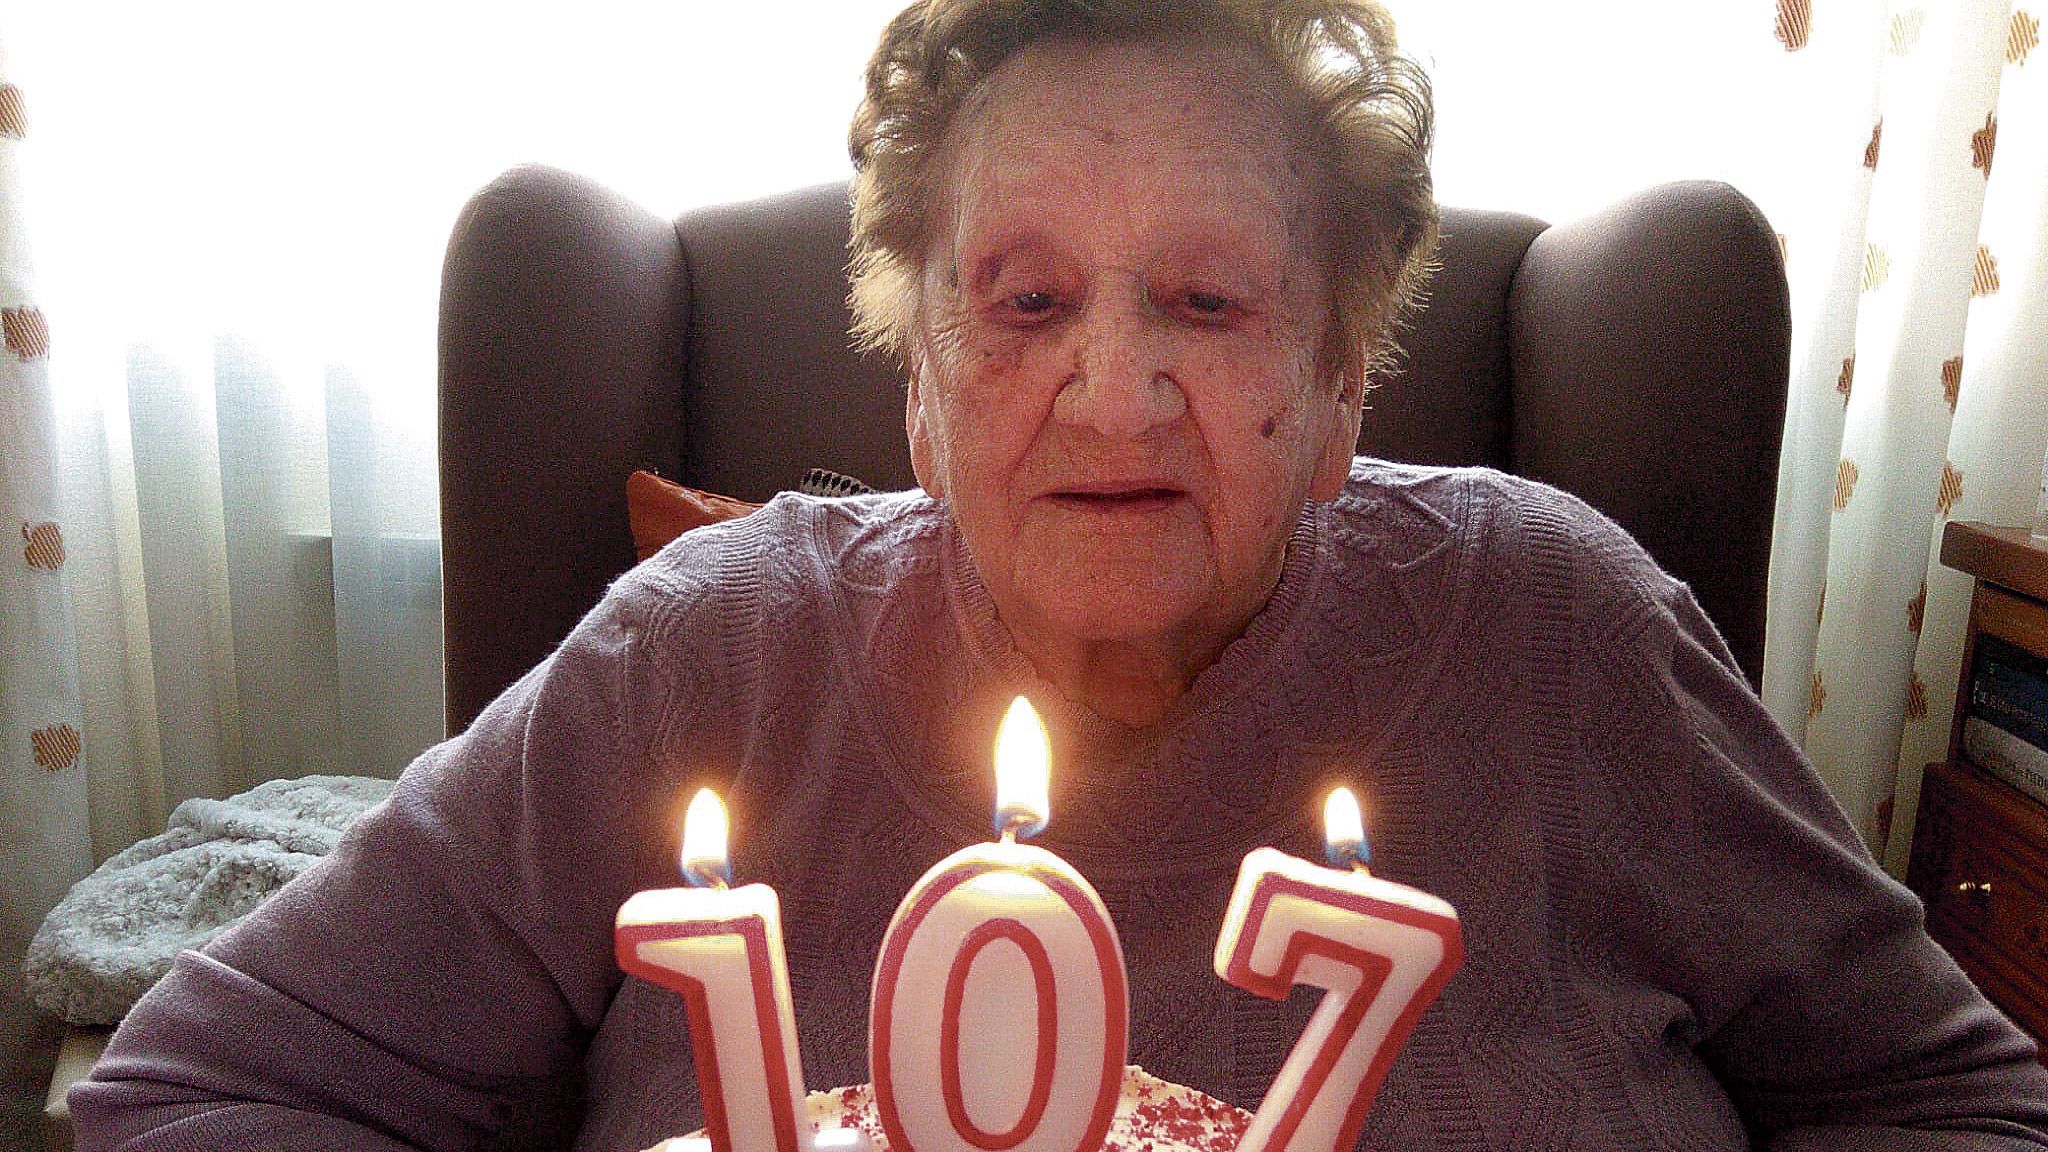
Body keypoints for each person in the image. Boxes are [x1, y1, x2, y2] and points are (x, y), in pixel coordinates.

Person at [72, 1, 2048, 1149]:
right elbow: (204, 1091)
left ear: (1341, 380)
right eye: (1017, 305)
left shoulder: (1569, 633)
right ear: (918, 385)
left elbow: (1957, 1110)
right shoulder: (706, 654)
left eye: (1206, 299)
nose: (1116, 392)